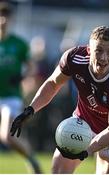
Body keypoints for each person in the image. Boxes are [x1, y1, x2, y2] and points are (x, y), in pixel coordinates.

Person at [10, 26, 109, 174]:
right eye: (99, 50)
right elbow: (53, 84)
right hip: (84, 123)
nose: (103, 58)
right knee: (58, 170)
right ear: (89, 49)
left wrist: (86, 150)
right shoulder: (74, 58)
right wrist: (30, 110)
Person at [0, 1, 42, 173]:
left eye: (6, 17)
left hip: (10, 96)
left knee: (7, 136)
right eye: (0, 16)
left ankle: (32, 161)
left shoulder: (19, 44)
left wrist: (22, 76)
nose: (3, 20)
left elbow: (32, 66)